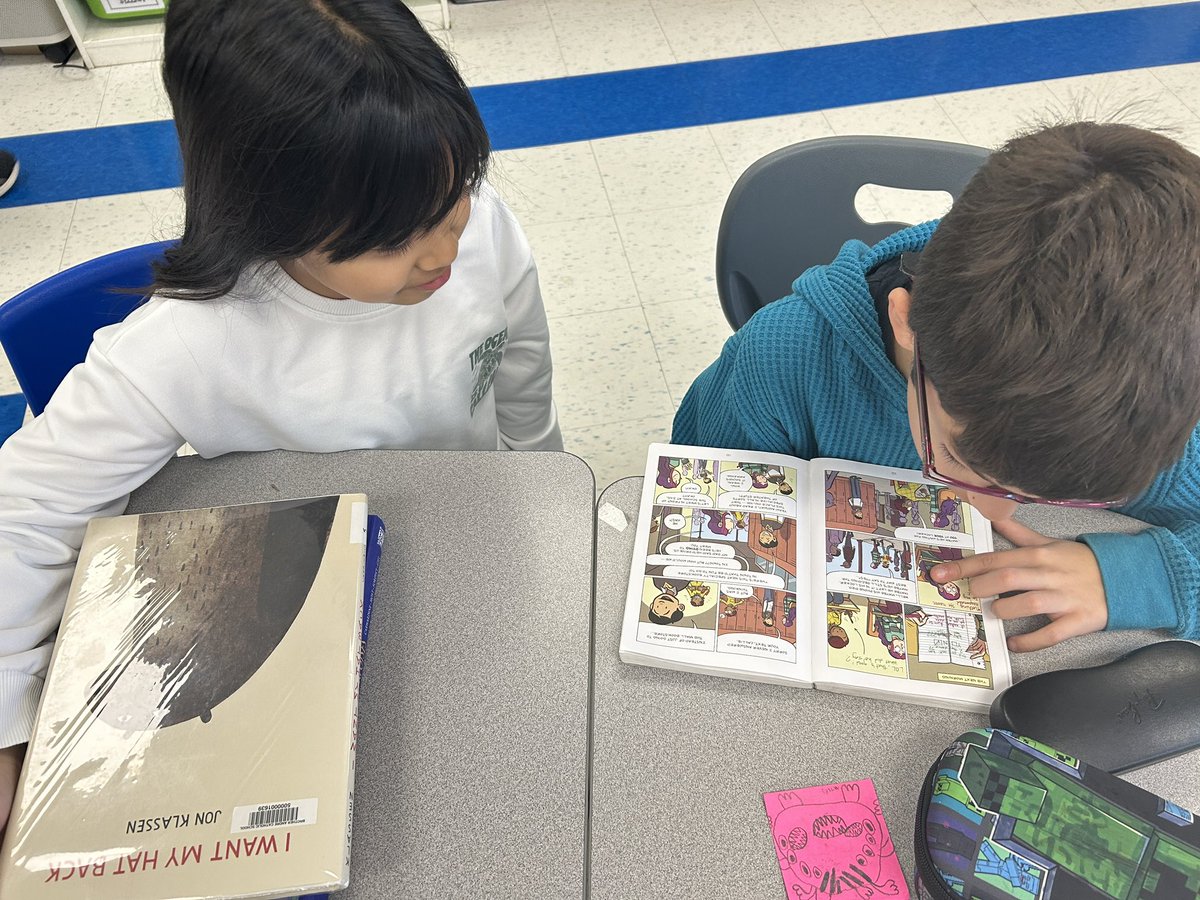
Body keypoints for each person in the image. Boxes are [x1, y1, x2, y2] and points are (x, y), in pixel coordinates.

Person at [0, 0, 562, 832]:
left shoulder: (485, 238)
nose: (445, 250)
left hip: (470, 565)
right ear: (267, 214)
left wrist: (543, 479)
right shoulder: (188, 342)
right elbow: (27, 510)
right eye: (398, 237)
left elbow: (522, 366)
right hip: (296, 616)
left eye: (456, 199)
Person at [674, 121, 1200, 655]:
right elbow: (697, 493)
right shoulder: (780, 361)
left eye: (1065, 495)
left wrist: (1146, 578)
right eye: (954, 455)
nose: (992, 515)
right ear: (905, 322)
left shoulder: (1167, 393)